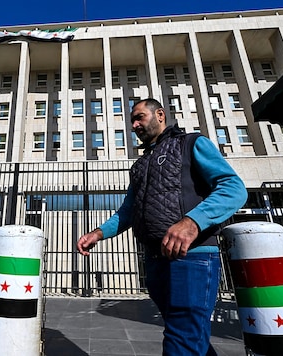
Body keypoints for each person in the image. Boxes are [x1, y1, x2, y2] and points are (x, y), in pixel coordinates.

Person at [77, 98, 247, 355]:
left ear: (160, 115)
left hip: (191, 259)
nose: (134, 125)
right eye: (132, 121)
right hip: (156, 261)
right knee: (188, 334)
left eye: (139, 117)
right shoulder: (141, 165)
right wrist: (99, 233)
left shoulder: (192, 143)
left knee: (182, 339)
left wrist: (192, 222)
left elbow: (233, 189)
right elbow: (127, 212)